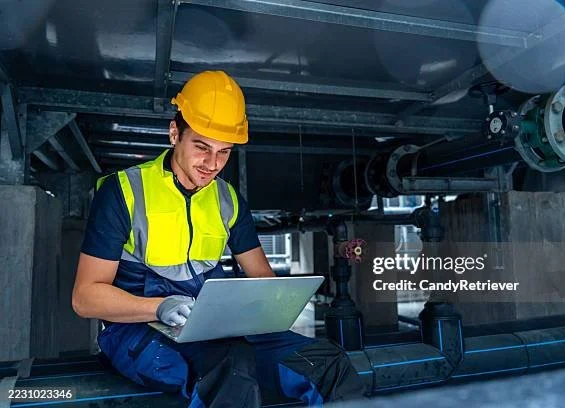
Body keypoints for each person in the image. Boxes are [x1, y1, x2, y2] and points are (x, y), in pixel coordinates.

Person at [71, 70, 364, 407]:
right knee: (231, 366)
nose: (212, 164)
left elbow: (263, 280)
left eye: (224, 152)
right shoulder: (123, 192)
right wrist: (160, 307)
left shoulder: (228, 200)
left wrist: (271, 306)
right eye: (201, 147)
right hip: (138, 328)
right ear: (174, 133)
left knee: (330, 364)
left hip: (214, 329)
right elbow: (85, 298)